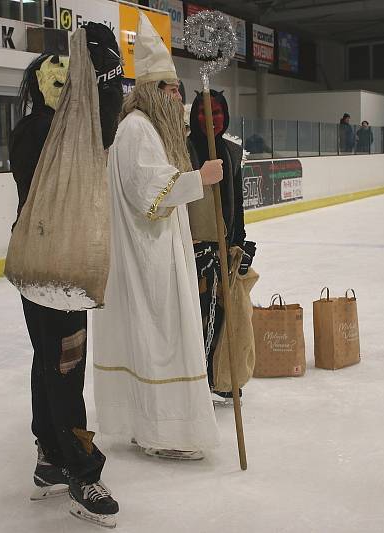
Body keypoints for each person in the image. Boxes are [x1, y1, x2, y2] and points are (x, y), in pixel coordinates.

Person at [93, 12, 222, 461]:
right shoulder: (135, 131)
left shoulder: (149, 130)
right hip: (148, 261)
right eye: (171, 90)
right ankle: (163, 432)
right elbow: (151, 191)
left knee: (155, 341)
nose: (178, 99)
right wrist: (198, 178)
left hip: (157, 254)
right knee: (160, 342)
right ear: (151, 92)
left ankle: (148, 424)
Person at [9, 22, 123, 529]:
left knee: (49, 359)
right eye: (54, 75)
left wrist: (102, 69)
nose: (63, 83)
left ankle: (50, 457)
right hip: (57, 268)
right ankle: (80, 471)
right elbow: (104, 120)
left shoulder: (42, 130)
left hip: (40, 269)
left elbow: (100, 121)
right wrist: (108, 63)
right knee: (65, 365)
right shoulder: (47, 135)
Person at [187, 90, 256, 406]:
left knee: (225, 319)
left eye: (217, 112)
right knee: (197, 321)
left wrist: (240, 243)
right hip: (193, 251)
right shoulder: (183, 151)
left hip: (223, 250)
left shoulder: (231, 152)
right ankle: (195, 381)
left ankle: (219, 378)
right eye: (203, 112)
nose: (210, 118)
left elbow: (235, 204)